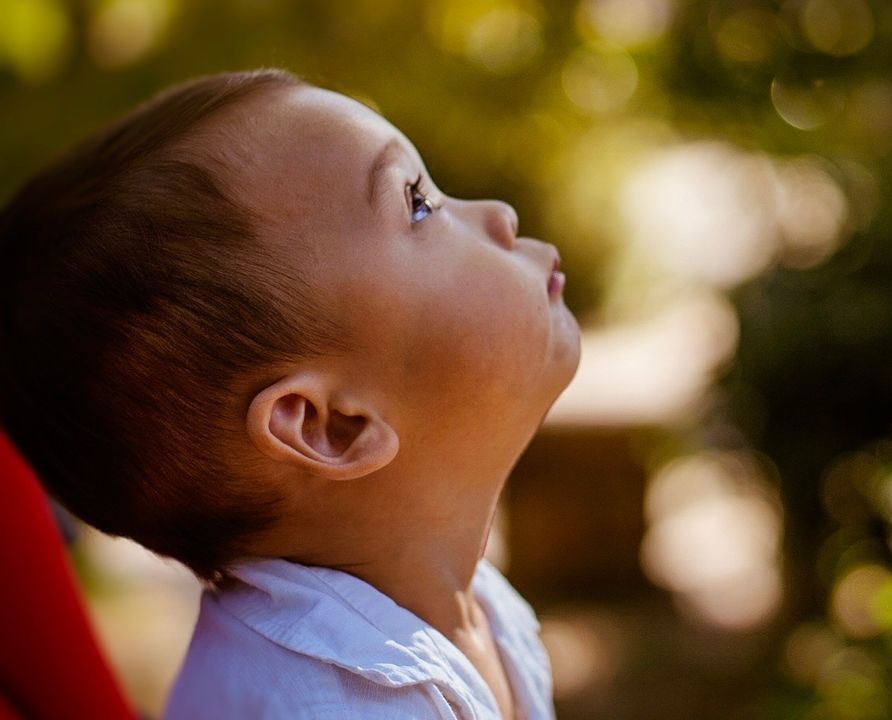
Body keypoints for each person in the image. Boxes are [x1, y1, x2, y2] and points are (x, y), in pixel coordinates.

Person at [0, 68, 580, 719]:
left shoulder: (472, 609)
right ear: (332, 425)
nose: (500, 216)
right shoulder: (321, 703)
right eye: (418, 203)